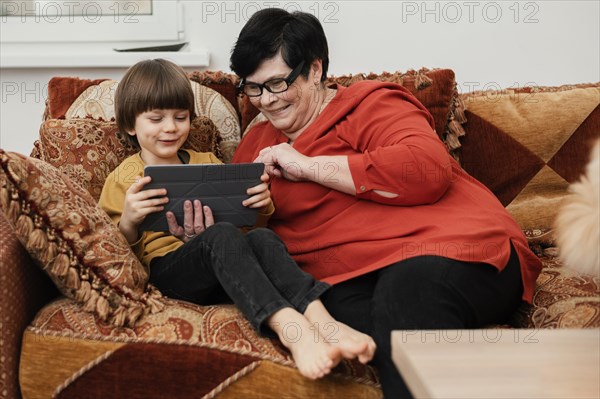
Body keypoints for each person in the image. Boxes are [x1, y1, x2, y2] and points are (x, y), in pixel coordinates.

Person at [230, 9, 543, 398]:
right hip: (346, 277)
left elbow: (426, 169)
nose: (266, 101)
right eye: (253, 88)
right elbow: (249, 240)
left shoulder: (370, 104)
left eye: (278, 83)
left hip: (456, 250)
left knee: (406, 295)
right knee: (345, 318)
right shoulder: (253, 148)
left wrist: (310, 166)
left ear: (314, 69)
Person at [98, 58, 376, 380]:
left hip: (224, 271)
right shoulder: (124, 178)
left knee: (262, 238)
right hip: (170, 275)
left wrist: (259, 206)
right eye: (156, 119)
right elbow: (111, 255)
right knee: (222, 235)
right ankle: (292, 330)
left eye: (180, 117)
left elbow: (246, 227)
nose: (170, 128)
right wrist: (130, 220)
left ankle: (324, 321)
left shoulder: (208, 163)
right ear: (131, 125)